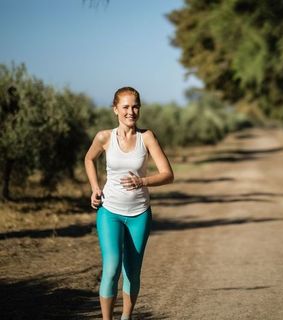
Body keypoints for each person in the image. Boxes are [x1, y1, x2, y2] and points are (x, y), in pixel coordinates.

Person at [84, 86, 174, 320]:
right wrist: (95, 187)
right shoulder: (104, 137)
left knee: (132, 271)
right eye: (125, 107)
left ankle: (126, 317)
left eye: (135, 106)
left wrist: (142, 181)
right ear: (115, 109)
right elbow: (89, 158)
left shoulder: (147, 137)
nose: (130, 111)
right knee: (112, 268)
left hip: (140, 214)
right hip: (110, 212)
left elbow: (168, 174)